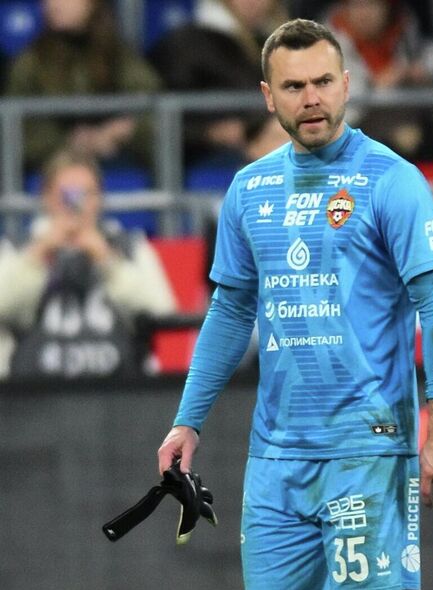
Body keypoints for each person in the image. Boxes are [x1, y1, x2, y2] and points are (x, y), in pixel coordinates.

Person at [157, 18, 433, 590]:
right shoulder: (250, 191)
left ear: (346, 83)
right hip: (279, 448)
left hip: (369, 438)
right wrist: (187, 419)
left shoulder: (390, 181)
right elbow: (229, 311)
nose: (311, 98)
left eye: (323, 81)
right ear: (269, 97)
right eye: (293, 86)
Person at [0, 150, 176, 378]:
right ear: (46, 197)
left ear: (99, 198)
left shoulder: (130, 247)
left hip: (122, 388)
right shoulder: (18, 250)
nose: (75, 205)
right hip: (33, 390)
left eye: (84, 194)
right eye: (66, 195)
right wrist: (37, 257)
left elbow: (162, 310)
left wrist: (108, 262)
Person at [5, 0, 161, 172]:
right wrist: (70, 142)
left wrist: (121, 130)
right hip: (50, 165)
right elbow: (17, 130)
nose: (53, 4)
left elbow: (154, 107)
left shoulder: (119, 56)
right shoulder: (30, 63)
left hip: (116, 158)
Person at [149, 0, 288, 167]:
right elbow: (165, 112)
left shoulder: (269, 42)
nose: (254, 2)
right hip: (202, 157)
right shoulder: (187, 44)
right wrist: (208, 132)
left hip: (256, 141)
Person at [323, 0, 433, 160]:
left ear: (390, 6)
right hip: (351, 161)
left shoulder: (432, 57)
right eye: (356, 4)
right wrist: (375, 89)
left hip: (424, 158)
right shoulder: (321, 58)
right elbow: (325, 130)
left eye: (374, 4)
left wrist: (430, 87)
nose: (364, 13)